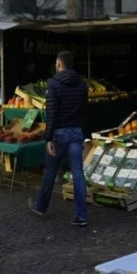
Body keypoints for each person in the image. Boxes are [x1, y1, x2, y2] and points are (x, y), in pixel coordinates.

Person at [29, 51, 89, 227]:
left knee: (50, 171)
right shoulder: (82, 85)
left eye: (56, 63)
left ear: (59, 64)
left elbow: (51, 113)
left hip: (59, 134)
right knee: (78, 174)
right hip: (76, 131)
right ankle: (81, 215)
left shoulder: (54, 84)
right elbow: (85, 110)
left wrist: (48, 137)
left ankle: (40, 206)